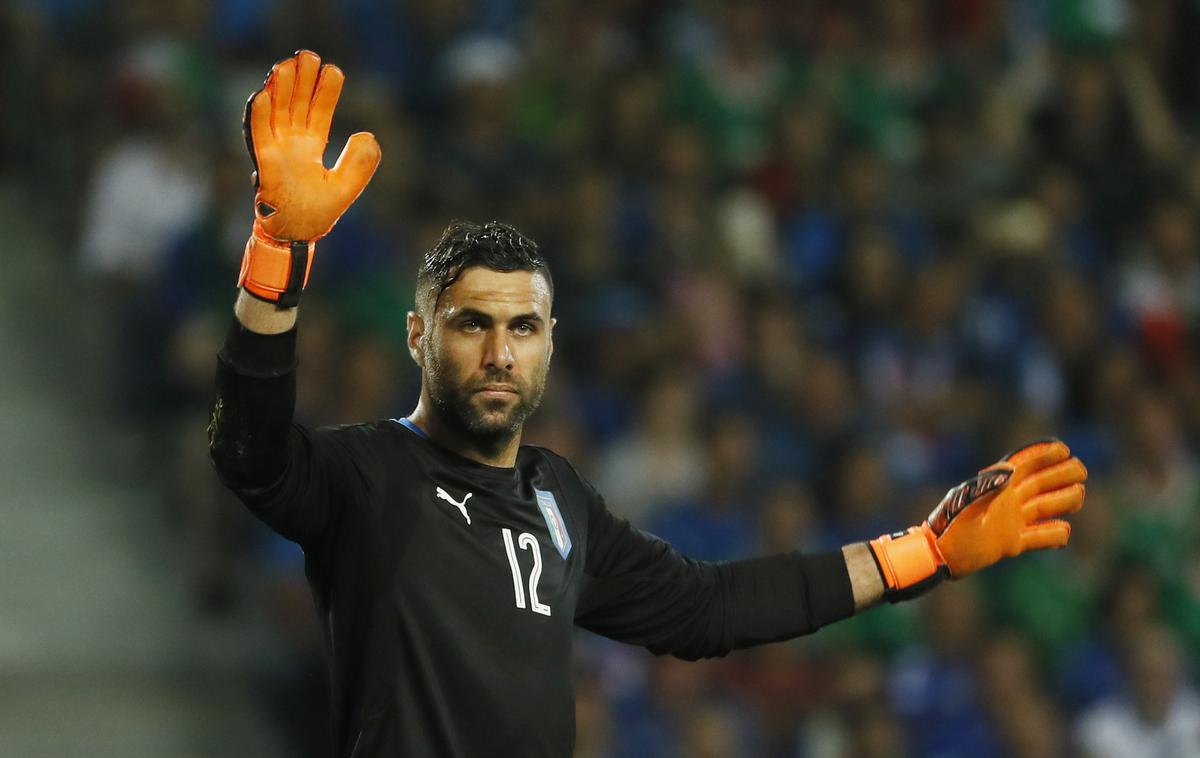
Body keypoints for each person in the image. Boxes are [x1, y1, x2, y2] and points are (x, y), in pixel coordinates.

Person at [208, 51, 1088, 758]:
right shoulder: (368, 474)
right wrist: (277, 250)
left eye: (522, 327)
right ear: (417, 337)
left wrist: (923, 554)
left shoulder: (560, 499)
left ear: (551, 342)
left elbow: (707, 610)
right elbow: (250, 453)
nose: (498, 352)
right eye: (471, 323)